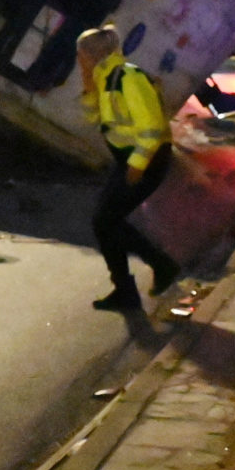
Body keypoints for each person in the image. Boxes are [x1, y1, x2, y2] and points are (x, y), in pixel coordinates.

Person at [75, 26, 180, 332]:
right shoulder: (105, 79)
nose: (78, 62)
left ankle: (159, 268)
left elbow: (152, 126)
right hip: (131, 159)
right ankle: (128, 289)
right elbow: (94, 118)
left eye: (80, 57)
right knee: (106, 222)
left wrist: (136, 165)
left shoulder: (129, 77)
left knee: (104, 221)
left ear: (91, 55)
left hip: (147, 160)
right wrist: (88, 86)